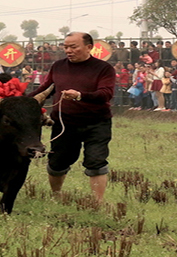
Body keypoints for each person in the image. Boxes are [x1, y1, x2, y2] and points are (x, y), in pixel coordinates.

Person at [29, 32, 115, 203]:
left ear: (89, 47)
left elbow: (106, 93)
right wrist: (23, 101)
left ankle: (97, 202)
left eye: (73, 47)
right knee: (57, 161)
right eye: (66, 47)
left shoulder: (104, 68)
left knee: (96, 160)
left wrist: (80, 95)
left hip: (97, 122)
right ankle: (56, 196)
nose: (68, 50)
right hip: (64, 123)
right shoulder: (58, 66)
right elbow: (45, 89)